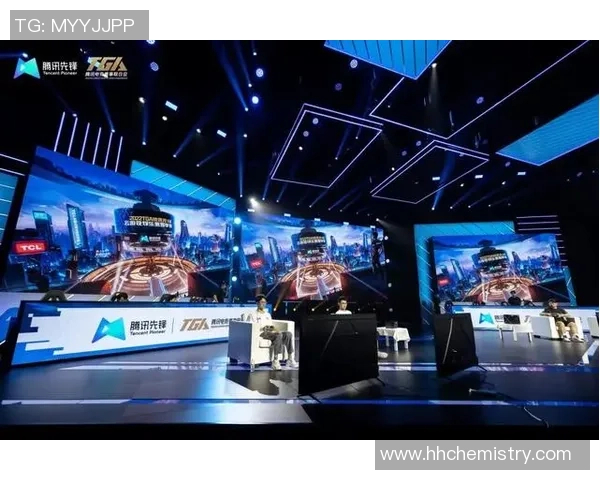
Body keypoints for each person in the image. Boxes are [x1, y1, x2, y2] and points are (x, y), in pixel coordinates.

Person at [247, 294, 297, 370]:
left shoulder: (267, 314)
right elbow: (249, 326)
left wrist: (273, 328)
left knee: (288, 334)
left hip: (271, 332)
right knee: (278, 335)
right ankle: (275, 360)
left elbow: (271, 325)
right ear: (257, 303)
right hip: (261, 333)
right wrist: (263, 328)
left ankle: (290, 358)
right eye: (262, 302)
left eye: (265, 302)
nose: (264, 304)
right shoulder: (252, 314)